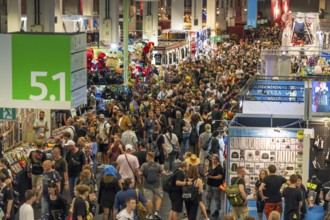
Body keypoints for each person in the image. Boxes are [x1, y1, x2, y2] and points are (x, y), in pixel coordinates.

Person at [139, 152, 166, 219]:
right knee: (158, 197)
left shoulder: (144, 165)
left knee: (149, 199)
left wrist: (143, 175)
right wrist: (159, 174)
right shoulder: (158, 165)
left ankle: (150, 215)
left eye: (146, 156)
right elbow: (163, 173)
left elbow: (140, 173)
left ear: (149, 157)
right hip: (157, 184)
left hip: (146, 185)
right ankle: (157, 211)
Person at [27, 140, 47, 205]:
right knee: (39, 187)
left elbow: (29, 163)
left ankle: (33, 198)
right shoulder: (43, 154)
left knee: (33, 186)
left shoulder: (32, 153)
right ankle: (37, 200)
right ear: (42, 146)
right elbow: (45, 164)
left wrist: (28, 171)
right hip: (40, 172)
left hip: (33, 171)